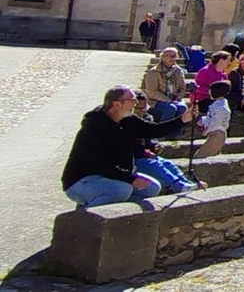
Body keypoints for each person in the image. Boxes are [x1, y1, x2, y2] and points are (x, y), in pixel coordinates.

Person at [61, 85, 194, 207]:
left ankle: (115, 211)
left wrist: (183, 119)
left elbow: (153, 130)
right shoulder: (93, 128)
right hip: (82, 180)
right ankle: (85, 216)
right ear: (117, 104)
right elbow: (98, 164)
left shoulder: (128, 120)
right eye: (132, 100)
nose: (135, 103)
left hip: (111, 175)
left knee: (151, 188)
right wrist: (130, 179)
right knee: (122, 190)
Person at [130, 94, 202, 194]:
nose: (142, 111)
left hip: (143, 156)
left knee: (168, 164)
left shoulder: (147, 118)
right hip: (133, 159)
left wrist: (154, 147)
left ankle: (186, 183)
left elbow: (152, 137)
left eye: (144, 108)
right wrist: (146, 153)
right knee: (154, 165)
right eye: (138, 109)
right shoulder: (127, 122)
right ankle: (180, 187)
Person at [143, 47, 189, 139]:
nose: (171, 58)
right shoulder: (154, 72)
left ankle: (175, 136)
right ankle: (161, 135)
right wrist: (167, 100)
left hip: (174, 99)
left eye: (174, 56)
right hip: (156, 101)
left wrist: (178, 98)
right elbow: (151, 91)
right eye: (169, 56)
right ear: (162, 57)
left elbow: (182, 88)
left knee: (182, 108)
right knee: (170, 108)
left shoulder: (178, 71)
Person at [196, 80, 232, 158]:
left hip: (216, 133)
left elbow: (216, 121)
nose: (209, 92)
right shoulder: (221, 104)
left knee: (201, 155)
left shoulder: (219, 107)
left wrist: (205, 122)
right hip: (218, 133)